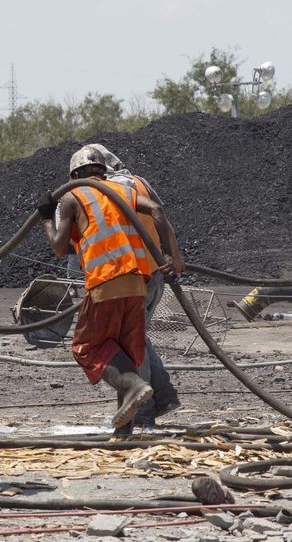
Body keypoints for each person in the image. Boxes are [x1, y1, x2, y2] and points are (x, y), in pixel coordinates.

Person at [38, 145, 182, 429]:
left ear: (75, 174)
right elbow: (156, 209)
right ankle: (124, 430)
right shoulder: (125, 191)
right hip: (137, 283)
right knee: (127, 352)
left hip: (106, 282)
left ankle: (132, 388)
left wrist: (46, 218)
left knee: (86, 347)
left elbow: (58, 248)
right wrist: (170, 256)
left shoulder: (71, 197)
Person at [89, 144, 183, 433]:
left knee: (130, 344)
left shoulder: (104, 192)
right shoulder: (139, 182)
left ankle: (142, 413)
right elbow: (161, 217)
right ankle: (164, 396)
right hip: (153, 272)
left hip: (129, 275)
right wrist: (174, 258)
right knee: (138, 336)